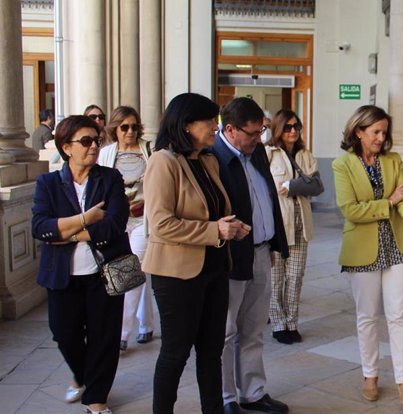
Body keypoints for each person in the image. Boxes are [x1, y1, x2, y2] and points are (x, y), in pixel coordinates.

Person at [142, 93, 250, 414]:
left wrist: (231, 225)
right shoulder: (163, 161)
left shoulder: (208, 160)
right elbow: (161, 225)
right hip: (177, 274)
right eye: (209, 121)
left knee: (211, 351)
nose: (215, 127)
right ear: (187, 124)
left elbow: (212, 212)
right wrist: (215, 231)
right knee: (175, 353)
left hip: (215, 267)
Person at [31, 115, 130, 414]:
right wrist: (86, 219)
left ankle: (96, 398)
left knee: (104, 336)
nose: (93, 147)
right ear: (66, 147)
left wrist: (66, 233)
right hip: (63, 275)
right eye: (85, 141)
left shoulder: (109, 178)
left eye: (97, 140)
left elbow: (115, 223)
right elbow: (40, 227)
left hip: (105, 271)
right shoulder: (48, 183)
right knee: (63, 332)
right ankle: (82, 374)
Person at [333, 105, 403, 407]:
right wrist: (389, 202)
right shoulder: (342, 165)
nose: (381, 137)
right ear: (359, 131)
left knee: (399, 316)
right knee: (368, 317)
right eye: (375, 132)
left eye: (384, 132)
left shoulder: (393, 160)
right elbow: (350, 210)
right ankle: (370, 375)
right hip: (363, 251)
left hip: (398, 247)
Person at [212, 97, 289, 414]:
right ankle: (227, 398)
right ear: (230, 129)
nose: (259, 139)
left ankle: (253, 392)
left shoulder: (255, 152)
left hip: (260, 251)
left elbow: (268, 196)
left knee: (254, 328)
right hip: (230, 258)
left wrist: (273, 243)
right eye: (253, 133)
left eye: (261, 133)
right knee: (226, 332)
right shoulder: (212, 157)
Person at [98, 106, 155, 352]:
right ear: (115, 129)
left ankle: (122, 333)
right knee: (140, 275)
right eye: (124, 127)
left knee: (131, 272)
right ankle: (147, 324)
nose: (130, 131)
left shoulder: (149, 150)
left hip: (143, 220)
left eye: (134, 126)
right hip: (117, 221)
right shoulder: (106, 154)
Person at [265, 110, 323, 344]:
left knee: (295, 276)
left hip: (301, 225)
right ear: (278, 128)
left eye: (296, 126)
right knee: (276, 278)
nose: (292, 131)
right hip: (278, 225)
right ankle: (278, 323)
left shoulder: (305, 155)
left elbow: (318, 185)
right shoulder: (268, 154)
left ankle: (292, 322)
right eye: (287, 127)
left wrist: (293, 185)